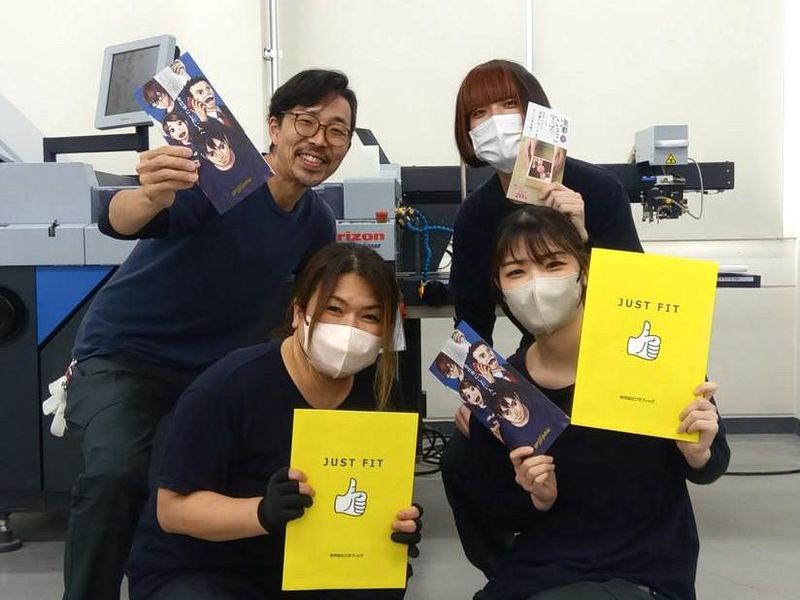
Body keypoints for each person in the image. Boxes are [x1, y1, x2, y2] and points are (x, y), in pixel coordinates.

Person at [61, 69, 359, 600]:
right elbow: (118, 218)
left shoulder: (316, 223)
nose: (320, 140)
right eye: (306, 122)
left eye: (337, 130)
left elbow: (317, 307)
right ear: (273, 126)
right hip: (127, 357)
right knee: (116, 476)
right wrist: (150, 195)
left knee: (229, 479)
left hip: (215, 373)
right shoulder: (222, 181)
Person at [443, 206, 730, 600]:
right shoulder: (502, 389)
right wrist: (537, 499)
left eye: (553, 264)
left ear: (585, 271)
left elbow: (712, 465)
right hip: (541, 572)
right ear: (499, 287)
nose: (536, 284)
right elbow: (500, 515)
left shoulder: (650, 361)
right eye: (516, 272)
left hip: (642, 571)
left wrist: (699, 454)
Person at [126, 243, 422, 599]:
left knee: (381, 585)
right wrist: (262, 512)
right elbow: (172, 510)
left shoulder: (381, 394)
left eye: (370, 317)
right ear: (299, 312)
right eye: (334, 309)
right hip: (207, 567)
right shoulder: (228, 387)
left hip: (310, 565)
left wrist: (397, 523)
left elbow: (376, 495)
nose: (350, 329)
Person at [449, 59, 643, 347]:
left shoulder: (600, 190)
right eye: (479, 112)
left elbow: (637, 292)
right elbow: (471, 318)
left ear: (535, 111)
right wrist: (475, 373)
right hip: (538, 352)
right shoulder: (475, 215)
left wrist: (583, 239)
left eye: (509, 104)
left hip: (613, 349)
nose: (496, 121)